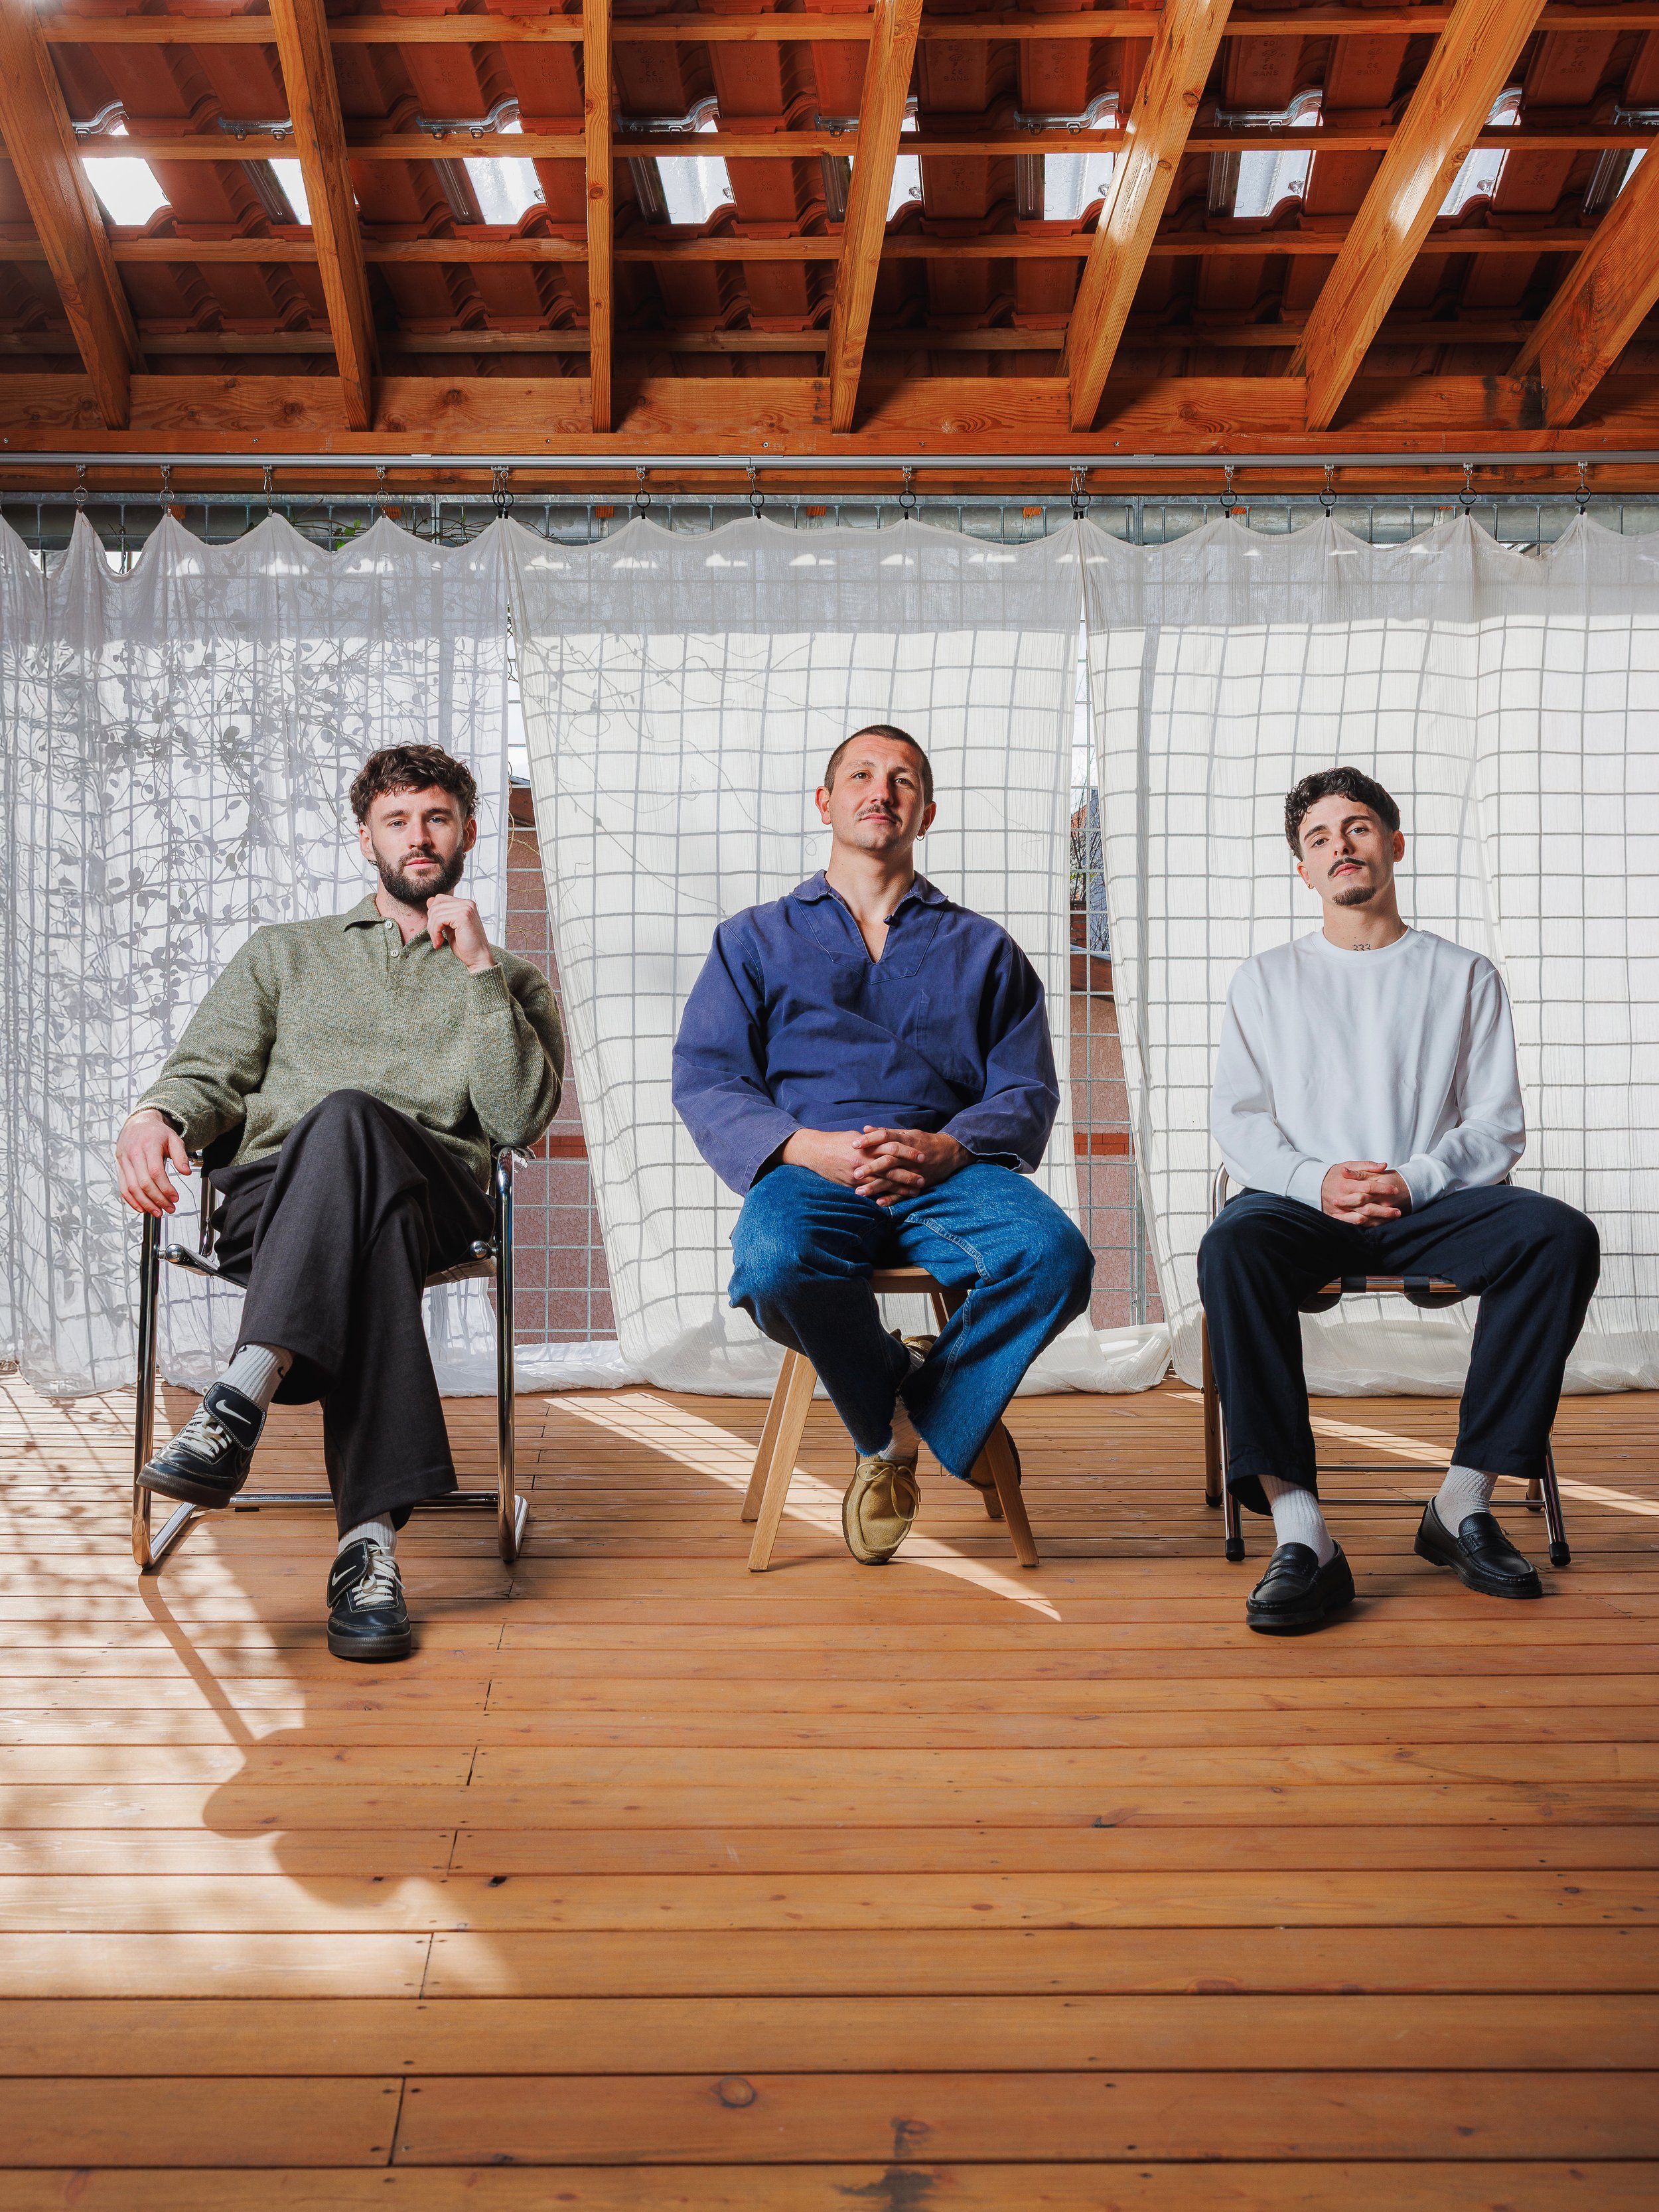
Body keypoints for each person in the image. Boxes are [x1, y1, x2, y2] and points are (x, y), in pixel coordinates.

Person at [115, 745, 563, 1662]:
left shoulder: (509, 978)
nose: (418, 836)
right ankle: (367, 1551)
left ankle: (242, 1394)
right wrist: (154, 1114)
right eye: (397, 821)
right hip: (276, 1204)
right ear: (367, 839)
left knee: (357, 1124)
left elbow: (517, 1118)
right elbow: (207, 1072)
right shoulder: (285, 952)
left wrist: (479, 970)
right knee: (366, 1206)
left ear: (469, 833)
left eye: (436, 818)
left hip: (438, 1200)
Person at [672, 723, 1094, 1565]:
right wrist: (804, 1147)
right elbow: (709, 1078)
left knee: (1053, 1258)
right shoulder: (752, 939)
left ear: (925, 813)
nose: (881, 791)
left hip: (946, 1172)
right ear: (825, 803)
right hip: (812, 1168)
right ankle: (893, 1426)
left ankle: (923, 1405)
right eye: (861, 775)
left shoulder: (983, 948)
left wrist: (952, 1145)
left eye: (902, 780)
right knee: (773, 1266)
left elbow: (1026, 1088)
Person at [1199, 765, 1599, 1635]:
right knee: (1231, 1246)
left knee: (1559, 1236)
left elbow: (1495, 1125)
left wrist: (1412, 1178)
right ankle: (1302, 1536)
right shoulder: (1264, 980)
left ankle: (1462, 1503)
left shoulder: (1463, 974)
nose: (1339, 845)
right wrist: (1317, 1179)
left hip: (1428, 1201)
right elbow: (1240, 1120)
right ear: (1303, 870)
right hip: (1302, 1203)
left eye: (1357, 827)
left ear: (1394, 844)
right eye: (1318, 838)